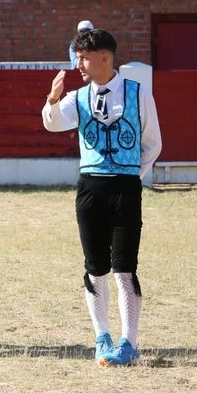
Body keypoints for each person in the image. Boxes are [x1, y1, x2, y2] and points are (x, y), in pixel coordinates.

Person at [42, 28, 161, 367]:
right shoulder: (78, 97)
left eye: (83, 57)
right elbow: (52, 124)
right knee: (95, 268)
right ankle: (102, 337)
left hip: (125, 189)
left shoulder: (138, 94)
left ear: (105, 57)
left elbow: (153, 144)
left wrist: (129, 177)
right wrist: (52, 99)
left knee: (125, 268)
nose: (77, 63)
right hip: (90, 188)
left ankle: (129, 342)